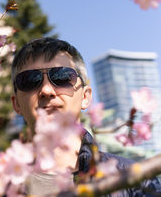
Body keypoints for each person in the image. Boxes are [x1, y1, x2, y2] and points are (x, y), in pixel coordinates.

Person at [10, 37, 161, 197]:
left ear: (85, 97)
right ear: (16, 104)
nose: (47, 90)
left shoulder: (135, 180)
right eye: (29, 80)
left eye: (62, 77)